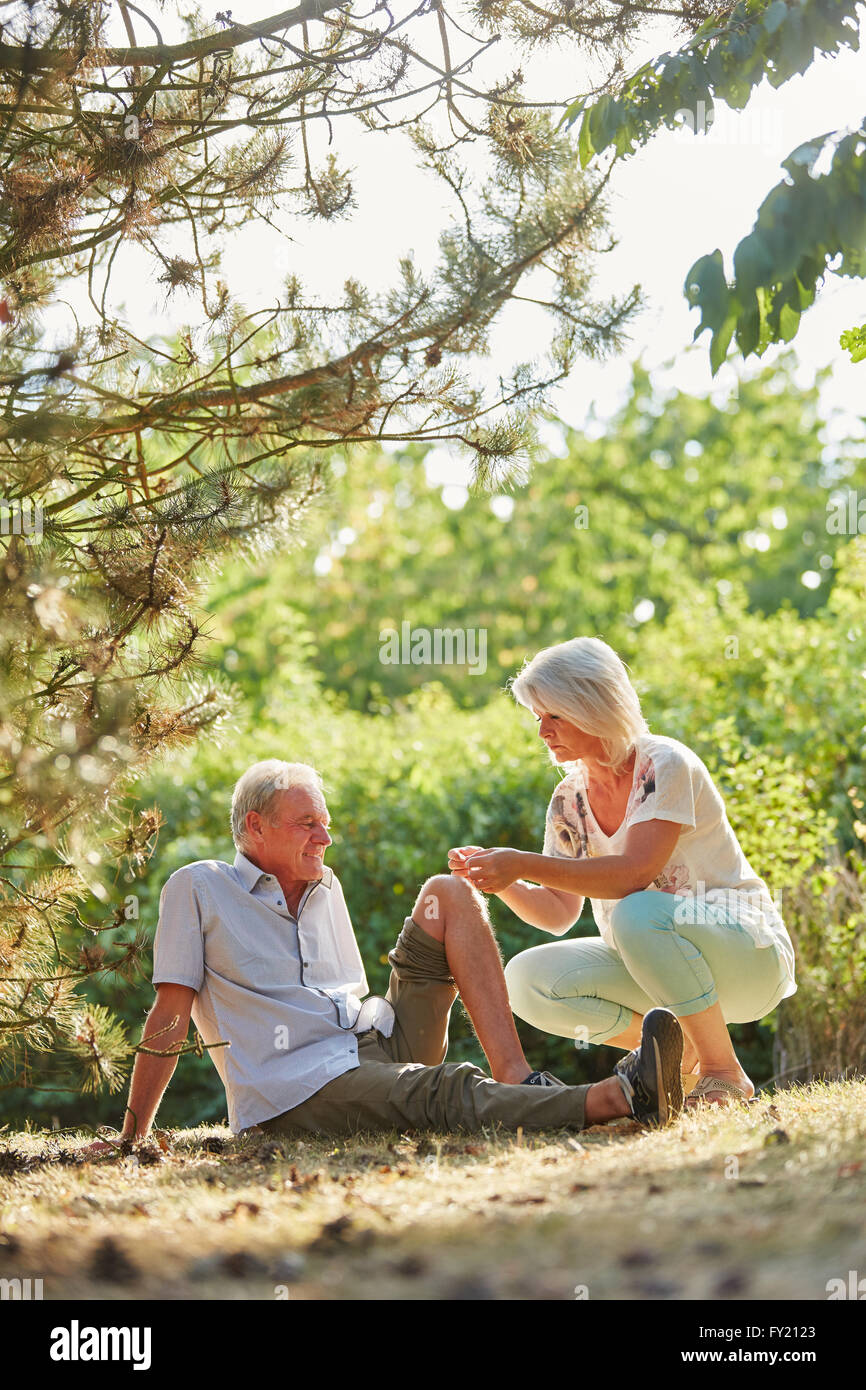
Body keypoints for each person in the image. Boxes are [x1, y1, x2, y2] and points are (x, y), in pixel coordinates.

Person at [81, 758, 684, 1154]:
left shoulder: (327, 885)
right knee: (440, 1090)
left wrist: (381, 1025)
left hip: (364, 1042)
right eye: (306, 825)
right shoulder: (198, 888)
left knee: (447, 892)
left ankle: (514, 1073)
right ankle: (615, 1099)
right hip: (293, 1091)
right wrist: (134, 1133)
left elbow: (344, 992)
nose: (325, 837)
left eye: (325, 823)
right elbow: (170, 1012)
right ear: (254, 828)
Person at [449, 637, 796, 1106]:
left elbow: (634, 873)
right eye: (538, 718)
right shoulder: (568, 800)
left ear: (592, 705)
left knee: (636, 912)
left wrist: (523, 861)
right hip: (657, 964)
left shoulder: (663, 764)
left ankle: (724, 1070)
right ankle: (676, 1055)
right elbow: (557, 914)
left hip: (746, 956)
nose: (542, 733)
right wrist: (505, 880)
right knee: (527, 978)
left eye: (555, 716)